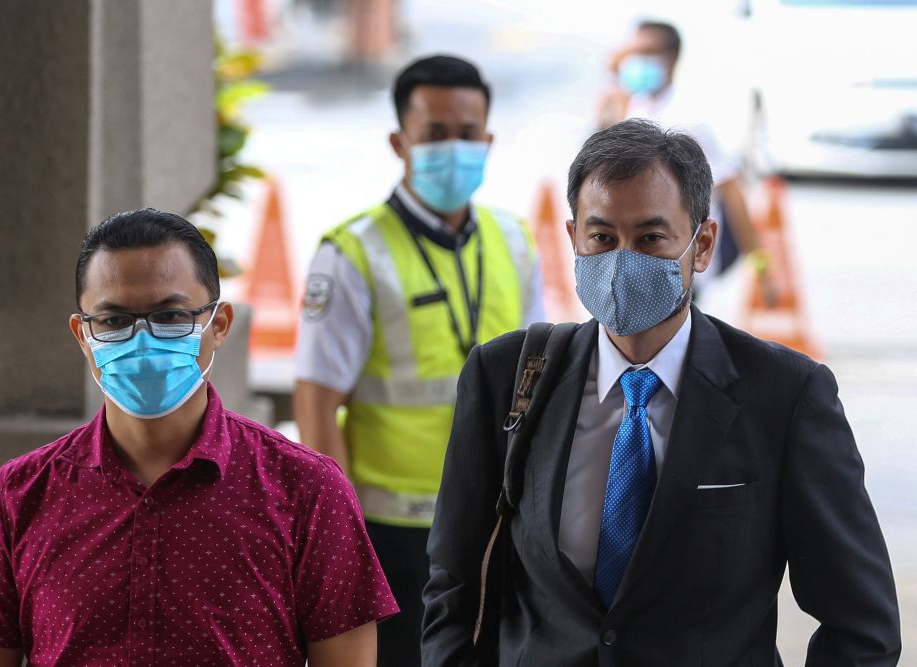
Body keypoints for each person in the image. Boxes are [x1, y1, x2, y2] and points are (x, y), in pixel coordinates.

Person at [422, 119, 901, 665]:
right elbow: (454, 584)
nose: (621, 261)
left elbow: (861, 624)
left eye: (650, 238)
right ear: (573, 236)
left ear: (702, 247)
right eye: (601, 237)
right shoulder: (506, 376)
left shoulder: (786, 395)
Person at [0, 209, 398, 666]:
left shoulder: (307, 490)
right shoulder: (18, 498)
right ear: (82, 335)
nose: (143, 342)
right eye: (113, 321)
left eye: (171, 317)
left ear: (219, 325)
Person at [293, 54, 544, 667]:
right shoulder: (354, 253)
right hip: (394, 532)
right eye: (434, 134)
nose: (452, 148)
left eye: (467, 134)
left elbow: (540, 376)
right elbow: (318, 403)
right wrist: (342, 541)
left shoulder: (514, 241)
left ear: (487, 139)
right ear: (399, 141)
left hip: (497, 519)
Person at [597, 20, 767, 288]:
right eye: (630, 53)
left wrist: (761, 268)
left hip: (675, 264)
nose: (634, 62)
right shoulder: (632, 108)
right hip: (634, 260)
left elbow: (731, 191)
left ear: (670, 59)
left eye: (646, 52)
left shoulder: (689, 123)